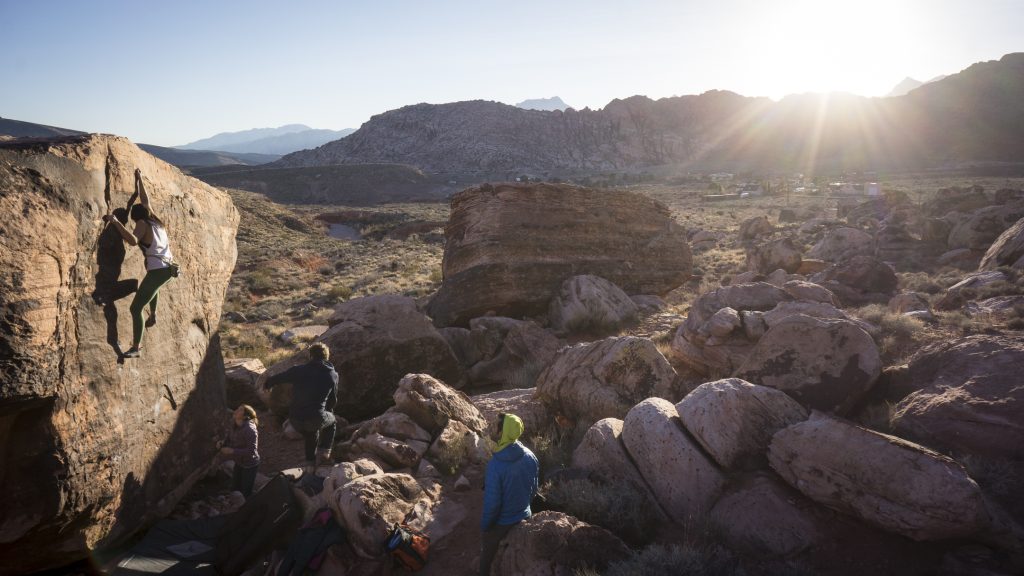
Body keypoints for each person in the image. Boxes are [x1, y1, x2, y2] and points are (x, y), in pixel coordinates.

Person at [102, 168, 176, 358]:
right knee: (151, 287)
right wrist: (139, 179)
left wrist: (115, 222)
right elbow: (146, 201)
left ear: (136, 218)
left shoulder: (142, 223)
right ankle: (153, 314)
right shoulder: (155, 221)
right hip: (166, 269)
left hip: (160, 270)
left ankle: (136, 347)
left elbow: (134, 241)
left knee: (135, 308)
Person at [480, 412, 539, 576]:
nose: (494, 429)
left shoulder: (495, 465)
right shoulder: (530, 455)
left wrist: (485, 526)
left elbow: (493, 504)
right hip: (526, 514)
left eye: (498, 427)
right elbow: (534, 488)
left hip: (503, 522)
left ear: (503, 432)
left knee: (486, 553)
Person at [263, 342, 339, 467]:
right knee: (331, 422)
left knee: (311, 432)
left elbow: (279, 378)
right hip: (315, 418)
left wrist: (267, 384)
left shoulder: (298, 370)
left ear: (310, 356)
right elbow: (332, 400)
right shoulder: (333, 375)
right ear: (326, 356)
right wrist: (327, 412)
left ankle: (310, 465)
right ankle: (324, 454)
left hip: (295, 419)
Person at [219, 404, 260, 498]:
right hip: (239, 462)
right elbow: (229, 438)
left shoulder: (250, 430)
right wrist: (222, 443)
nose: (236, 410)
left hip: (250, 464)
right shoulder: (234, 425)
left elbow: (251, 451)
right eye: (237, 408)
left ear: (246, 416)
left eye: (240, 410)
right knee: (235, 488)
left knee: (246, 492)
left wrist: (232, 451)